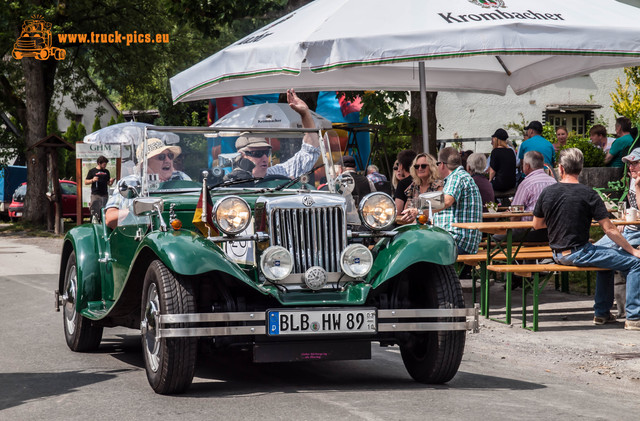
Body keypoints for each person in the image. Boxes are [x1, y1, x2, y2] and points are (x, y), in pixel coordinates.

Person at [533, 148, 640, 330]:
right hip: (579, 252)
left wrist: (561, 223)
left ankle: (602, 314)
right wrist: (633, 250)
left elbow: (537, 225)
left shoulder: (548, 192)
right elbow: (609, 229)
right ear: (581, 169)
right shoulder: (589, 194)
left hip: (556, 253)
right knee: (635, 263)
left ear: (561, 168)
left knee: (607, 261)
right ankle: (634, 318)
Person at [592, 148, 640, 320]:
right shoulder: (632, 181)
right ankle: (601, 313)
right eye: (629, 163)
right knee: (598, 253)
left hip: (636, 233)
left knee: (634, 263)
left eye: (635, 163)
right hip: (628, 229)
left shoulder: (637, 182)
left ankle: (633, 316)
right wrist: (622, 221)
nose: (631, 167)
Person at [230, 89, 320, 179]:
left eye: (266, 152)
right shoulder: (231, 182)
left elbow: (310, 151)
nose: (265, 158)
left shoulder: (279, 172)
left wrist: (305, 114)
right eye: (258, 153)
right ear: (241, 156)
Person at [105, 139, 190, 229]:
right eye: (161, 157)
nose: (168, 160)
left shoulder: (181, 178)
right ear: (145, 164)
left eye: (170, 156)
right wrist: (141, 209)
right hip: (139, 236)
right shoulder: (129, 183)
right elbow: (110, 218)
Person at [495, 151, 556, 243]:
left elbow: (515, 214)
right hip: (551, 232)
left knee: (495, 238)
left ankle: (515, 257)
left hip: (528, 231)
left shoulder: (526, 184)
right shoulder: (554, 182)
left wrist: (511, 226)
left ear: (527, 166)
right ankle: (525, 257)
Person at [432, 147, 483, 255]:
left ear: (441, 164)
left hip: (457, 242)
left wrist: (420, 206)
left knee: (418, 250)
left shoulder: (456, 177)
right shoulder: (461, 176)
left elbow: (446, 201)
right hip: (462, 241)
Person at [397, 153, 443, 224]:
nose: (420, 168)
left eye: (423, 166)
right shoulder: (414, 186)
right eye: (416, 166)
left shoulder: (438, 185)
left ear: (431, 167)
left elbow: (439, 207)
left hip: (433, 227)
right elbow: (406, 210)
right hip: (415, 227)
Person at [85, 155, 114, 221]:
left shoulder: (106, 172)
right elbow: (86, 182)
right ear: (99, 163)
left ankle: (103, 223)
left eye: (106, 164)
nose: (105, 166)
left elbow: (108, 183)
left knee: (104, 211)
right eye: (104, 164)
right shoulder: (92, 171)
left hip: (104, 194)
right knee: (94, 210)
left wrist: (111, 182)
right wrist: (92, 180)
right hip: (95, 194)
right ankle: (94, 222)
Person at [488, 128, 516, 192]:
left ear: (496, 139)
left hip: (499, 185)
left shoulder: (495, 152)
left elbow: (492, 172)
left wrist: (489, 180)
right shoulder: (511, 151)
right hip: (511, 184)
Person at [393, 149, 417, 214]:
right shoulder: (419, 180)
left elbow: (397, 210)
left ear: (401, 166)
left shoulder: (402, 183)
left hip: (406, 220)